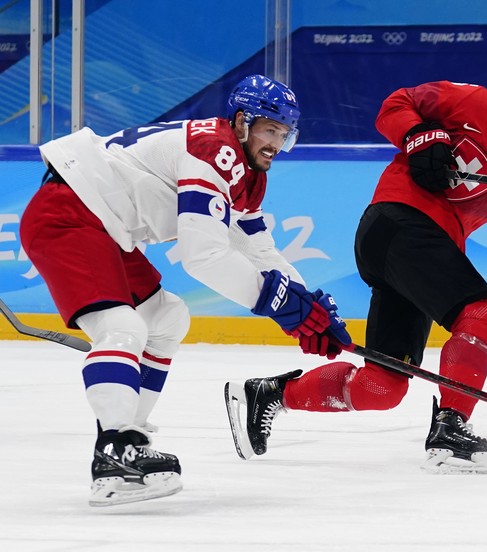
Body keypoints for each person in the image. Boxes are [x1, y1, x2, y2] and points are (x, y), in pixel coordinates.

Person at [225, 81, 487, 474]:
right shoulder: (475, 101)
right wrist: (419, 134)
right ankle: (451, 430)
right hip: (397, 222)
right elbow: (397, 103)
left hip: (413, 255)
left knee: (381, 388)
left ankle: (268, 395)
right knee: (482, 315)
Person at [19, 74, 350, 506]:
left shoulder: (246, 170)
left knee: (166, 317)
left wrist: (309, 305)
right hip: (69, 216)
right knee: (121, 327)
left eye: (284, 134)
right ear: (243, 121)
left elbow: (258, 249)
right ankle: (117, 451)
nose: (276, 143)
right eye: (271, 129)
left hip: (105, 225)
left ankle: (125, 444)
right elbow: (204, 255)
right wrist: (281, 306)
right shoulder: (215, 150)